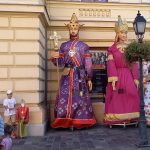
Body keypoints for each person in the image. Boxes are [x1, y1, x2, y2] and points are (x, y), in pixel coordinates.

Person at [50, 13, 96, 129]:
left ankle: (78, 121)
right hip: (67, 75)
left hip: (79, 76)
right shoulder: (63, 46)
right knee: (66, 97)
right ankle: (67, 120)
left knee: (78, 96)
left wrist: (89, 77)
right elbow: (59, 63)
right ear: (69, 29)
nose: (73, 30)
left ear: (78, 29)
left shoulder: (84, 46)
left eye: (75, 28)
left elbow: (88, 65)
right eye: (71, 28)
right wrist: (55, 57)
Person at [104, 15, 140, 126]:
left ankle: (131, 117)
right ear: (117, 34)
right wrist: (113, 78)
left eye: (125, 33)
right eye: (122, 32)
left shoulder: (130, 48)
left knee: (132, 94)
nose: (124, 35)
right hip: (117, 77)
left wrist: (135, 78)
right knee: (117, 97)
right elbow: (111, 64)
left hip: (128, 75)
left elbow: (133, 64)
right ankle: (115, 117)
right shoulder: (112, 49)